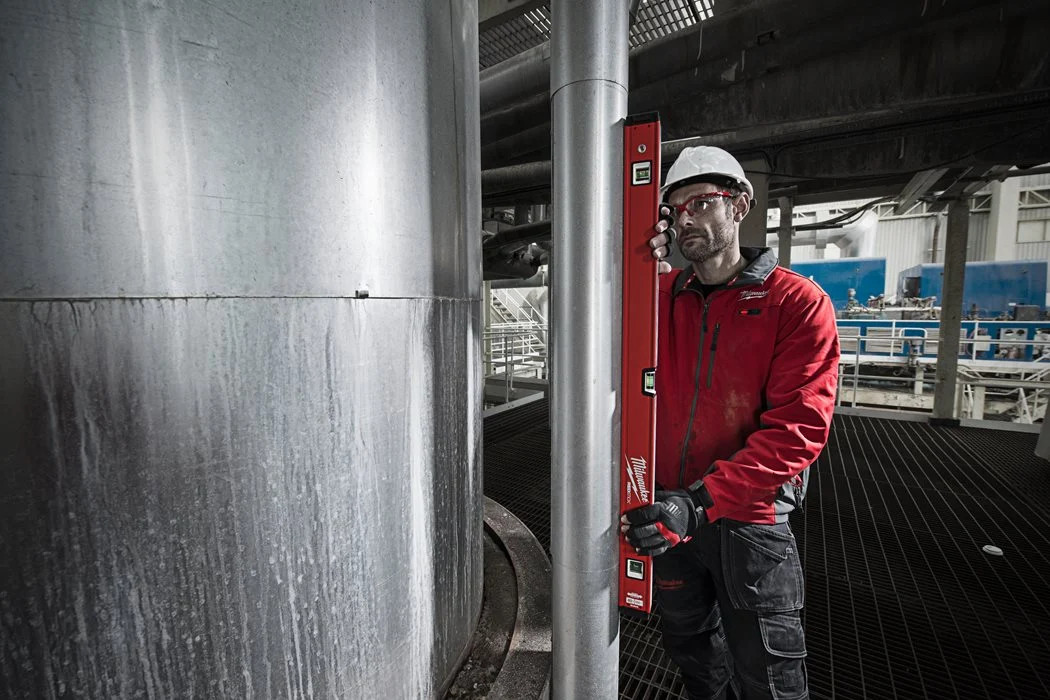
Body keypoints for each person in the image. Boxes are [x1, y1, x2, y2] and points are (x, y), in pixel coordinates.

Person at [621, 146, 840, 700]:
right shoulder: (659, 298)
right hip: (670, 518)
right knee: (694, 658)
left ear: (740, 206)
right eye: (675, 210)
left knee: (770, 677)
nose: (685, 219)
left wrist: (699, 501)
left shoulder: (796, 302)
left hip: (750, 521)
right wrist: (632, 263)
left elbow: (798, 429)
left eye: (701, 203)